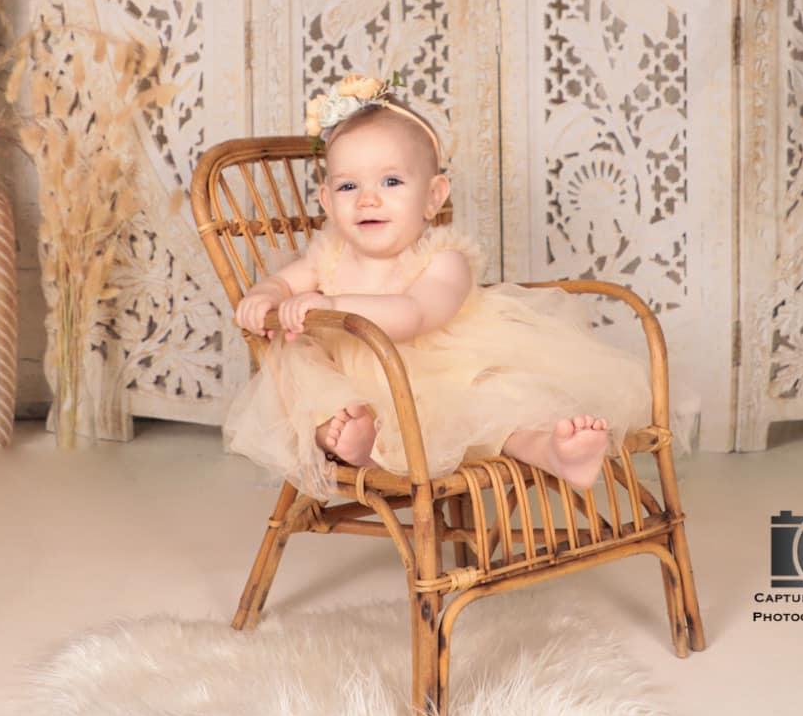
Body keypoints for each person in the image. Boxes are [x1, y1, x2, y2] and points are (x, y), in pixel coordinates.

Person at [223, 76, 675, 501]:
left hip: (438, 382)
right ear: (327, 201)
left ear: (435, 196)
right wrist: (265, 296)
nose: (368, 198)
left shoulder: (444, 259)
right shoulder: (328, 255)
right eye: (348, 186)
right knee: (301, 367)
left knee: (496, 405)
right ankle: (342, 438)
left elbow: (416, 314)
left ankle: (553, 452)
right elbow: (284, 281)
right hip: (357, 388)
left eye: (392, 181)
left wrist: (332, 304)